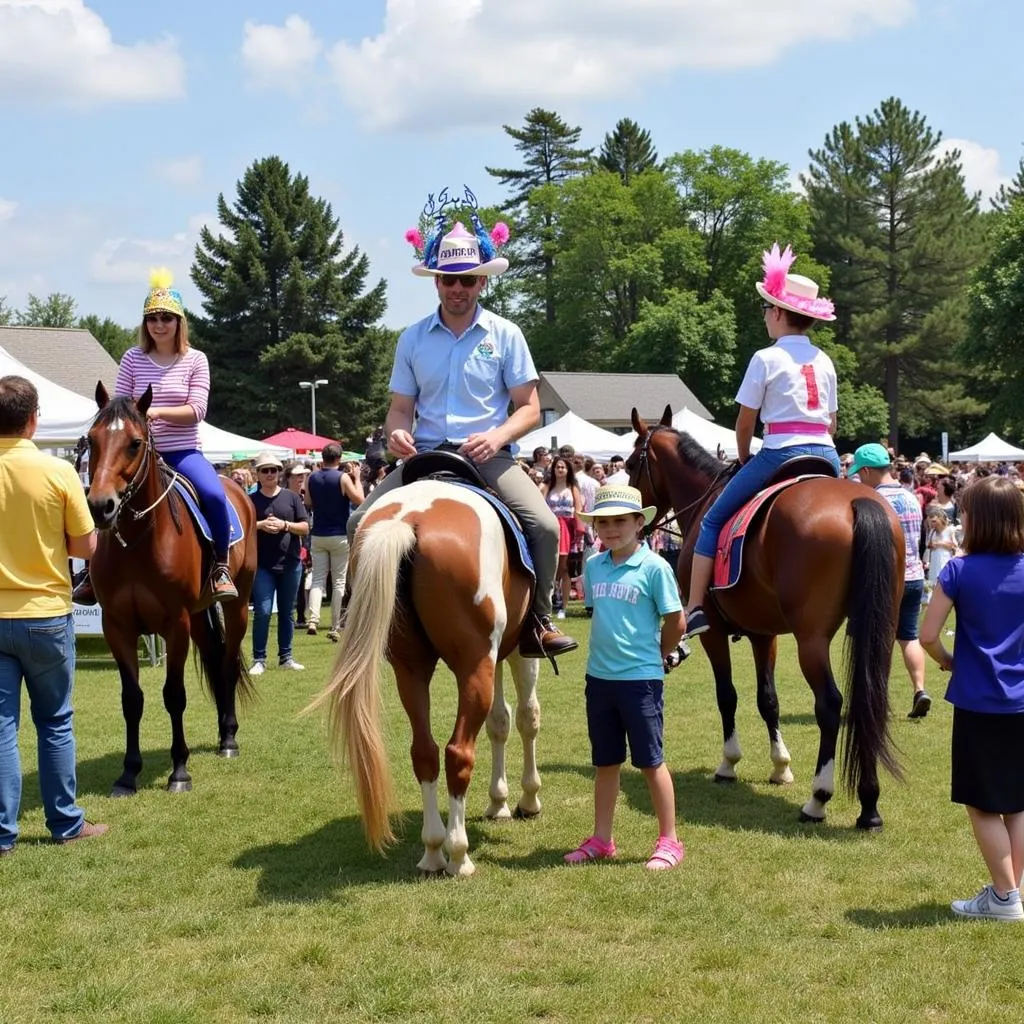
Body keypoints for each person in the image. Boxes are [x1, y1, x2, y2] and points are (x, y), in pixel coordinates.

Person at [345, 195, 576, 659]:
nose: (458, 289)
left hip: (487, 458)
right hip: (424, 456)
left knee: (546, 526)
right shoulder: (411, 338)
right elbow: (399, 409)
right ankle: (355, 611)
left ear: (481, 282)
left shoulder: (506, 334)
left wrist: (497, 437)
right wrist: (396, 434)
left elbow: (529, 408)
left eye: (467, 280)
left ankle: (539, 618)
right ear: (437, 283)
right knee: (357, 523)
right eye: (450, 280)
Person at [684, 245, 840, 638]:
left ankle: (695, 607)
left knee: (712, 520)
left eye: (768, 308)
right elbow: (833, 422)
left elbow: (745, 420)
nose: (765, 315)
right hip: (827, 456)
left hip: (779, 453)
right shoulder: (825, 359)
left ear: (779, 313)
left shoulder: (765, 358)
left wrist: (742, 456)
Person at [73, 269, 238, 605]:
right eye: (152, 318)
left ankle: (220, 567)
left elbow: (197, 409)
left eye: (166, 318)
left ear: (179, 322)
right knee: (102, 497)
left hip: (182, 452)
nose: (159, 325)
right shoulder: (133, 357)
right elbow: (119, 406)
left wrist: (157, 413)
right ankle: (92, 573)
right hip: (135, 456)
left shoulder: (196, 360)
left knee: (215, 495)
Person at [0, 376, 108, 853]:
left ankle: (3, 832)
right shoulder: (58, 472)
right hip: (45, 612)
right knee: (55, 722)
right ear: (33, 418)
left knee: (2, 728)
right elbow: (86, 545)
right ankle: (65, 823)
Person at [564, 485, 687, 870]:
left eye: (620, 521)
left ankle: (669, 840)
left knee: (651, 762)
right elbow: (597, 614)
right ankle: (601, 840)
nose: (611, 529)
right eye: (603, 522)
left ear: (639, 523)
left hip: (640, 681)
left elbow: (676, 621)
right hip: (599, 679)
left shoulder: (655, 568)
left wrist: (660, 654)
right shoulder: (594, 564)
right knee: (606, 762)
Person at [920, 476, 1024, 921]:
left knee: (981, 802)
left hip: (979, 700)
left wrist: (948, 661)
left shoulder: (958, 571)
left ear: (974, 520)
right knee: (1018, 802)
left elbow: (927, 636)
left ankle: (1004, 897)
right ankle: (1013, 892)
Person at [848, 442, 930, 718]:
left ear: (869, 471)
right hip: (915, 575)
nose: (859, 479)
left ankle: (875, 701)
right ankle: (920, 689)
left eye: (860, 474)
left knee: (876, 639)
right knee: (909, 637)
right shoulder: (911, 497)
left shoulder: (873, 501)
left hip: (885, 579)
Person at [249, 451, 309, 676]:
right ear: (258, 474)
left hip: (291, 563)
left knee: (287, 612)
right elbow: (242, 528)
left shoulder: (292, 498)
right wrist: (261, 525)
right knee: (263, 611)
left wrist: (285, 525)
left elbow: (305, 527)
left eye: (273, 470)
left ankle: (286, 657)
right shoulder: (251, 500)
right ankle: (259, 659)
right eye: (265, 470)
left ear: (279, 473)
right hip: (262, 565)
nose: (270, 474)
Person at [306, 444, 364, 642]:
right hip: (339, 534)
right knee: (339, 581)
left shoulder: (311, 478)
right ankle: (335, 625)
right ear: (339, 459)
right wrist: (357, 478)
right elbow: (360, 500)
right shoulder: (343, 477)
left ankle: (313, 620)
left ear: (323, 457)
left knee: (317, 580)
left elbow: (308, 502)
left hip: (318, 534)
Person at [540, 455, 583, 620]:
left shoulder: (573, 488)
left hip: (568, 530)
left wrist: (581, 533)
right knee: (549, 567)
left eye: (563, 467)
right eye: (557, 467)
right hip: (551, 528)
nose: (560, 469)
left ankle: (563, 606)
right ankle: (549, 603)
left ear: (568, 470)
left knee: (564, 569)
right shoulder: (547, 486)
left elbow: (578, 509)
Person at [283, 462, 312, 627]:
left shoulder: (305, 497)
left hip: (304, 543)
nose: (301, 478)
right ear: (288, 478)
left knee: (302, 580)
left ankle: (301, 615)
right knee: (293, 582)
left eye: (303, 475)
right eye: (297, 475)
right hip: (288, 544)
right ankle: (291, 614)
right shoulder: (284, 496)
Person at [923, 504, 957, 606]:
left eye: (934, 521)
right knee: (934, 582)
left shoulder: (949, 530)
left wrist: (939, 544)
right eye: (930, 522)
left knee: (943, 581)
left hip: (945, 559)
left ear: (940, 519)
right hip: (934, 559)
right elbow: (928, 545)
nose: (932, 524)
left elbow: (954, 546)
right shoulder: (932, 532)